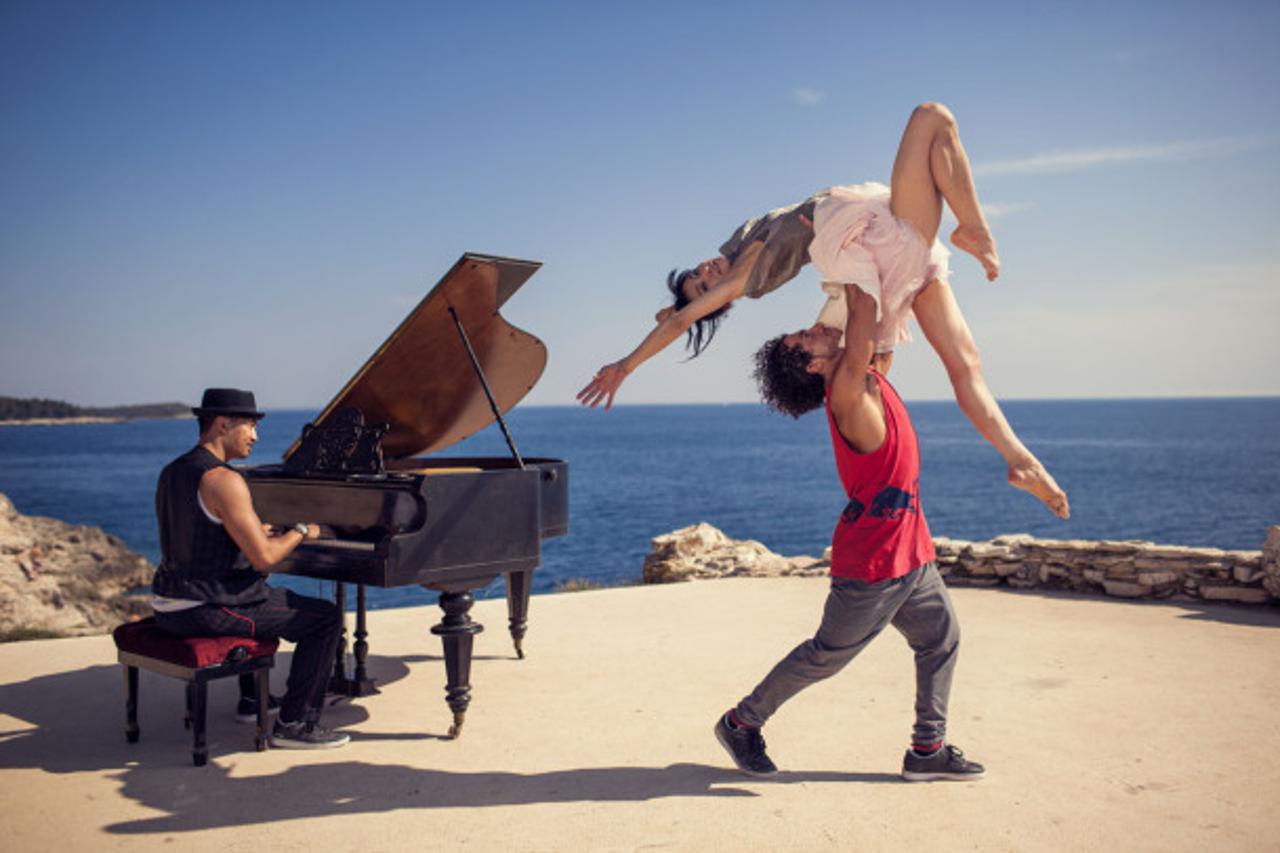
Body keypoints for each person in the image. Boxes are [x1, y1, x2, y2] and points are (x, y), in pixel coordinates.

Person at [578, 102, 1068, 519]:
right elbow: (687, 319)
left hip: (876, 258)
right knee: (931, 118)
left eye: (697, 273)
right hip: (869, 234)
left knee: (966, 366)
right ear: (718, 297)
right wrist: (626, 365)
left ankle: (1019, 460)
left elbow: (679, 315)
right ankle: (975, 230)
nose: (706, 272)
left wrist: (669, 311)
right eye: (705, 286)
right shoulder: (745, 276)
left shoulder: (737, 245)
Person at [713, 284, 983, 781]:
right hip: (873, 564)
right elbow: (863, 304)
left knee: (941, 639)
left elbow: (877, 330)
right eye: (806, 336)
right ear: (814, 366)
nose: (817, 327)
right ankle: (741, 722)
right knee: (826, 656)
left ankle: (927, 750)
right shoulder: (845, 391)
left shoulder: (870, 374)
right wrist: (858, 261)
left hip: (910, 552)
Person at [150, 388, 349, 749]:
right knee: (324, 618)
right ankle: (295, 723)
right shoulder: (224, 480)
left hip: (167, 605)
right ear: (223, 425)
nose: (256, 436)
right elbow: (266, 559)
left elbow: (200, 533)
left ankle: (252, 699)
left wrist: (258, 532)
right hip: (207, 609)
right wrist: (301, 531)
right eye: (250, 426)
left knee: (267, 594)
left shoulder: (173, 471)